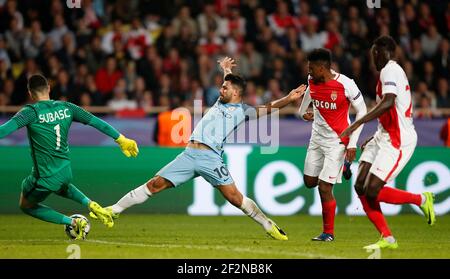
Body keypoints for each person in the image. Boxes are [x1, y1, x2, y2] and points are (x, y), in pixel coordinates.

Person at [91, 57, 307, 240]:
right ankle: (114, 210)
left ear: (236, 93)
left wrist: (288, 98)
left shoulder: (243, 111)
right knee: (154, 184)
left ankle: (268, 225)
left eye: (225, 87)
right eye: (222, 86)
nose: (221, 89)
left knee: (235, 198)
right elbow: (228, 82)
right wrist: (227, 70)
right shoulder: (220, 101)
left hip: (210, 158)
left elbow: (267, 108)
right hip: (188, 154)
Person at [0, 74, 139, 240]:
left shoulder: (30, 112)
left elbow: (3, 131)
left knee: (26, 205)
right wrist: (121, 139)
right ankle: (91, 204)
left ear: (30, 93)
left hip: (44, 177)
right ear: (49, 88)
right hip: (65, 172)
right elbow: (95, 121)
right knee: (60, 185)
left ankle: (72, 222)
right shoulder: (67, 107)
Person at [341, 36, 436, 249]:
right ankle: (387, 238)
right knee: (359, 185)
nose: (373, 57)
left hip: (398, 140)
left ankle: (421, 199)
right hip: (383, 135)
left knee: (372, 189)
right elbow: (389, 111)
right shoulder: (386, 74)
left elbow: (388, 102)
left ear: (384, 53)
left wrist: (357, 124)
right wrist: (373, 136)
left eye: (375, 53)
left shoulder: (390, 70)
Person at [298, 48, 367, 241]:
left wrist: (353, 143)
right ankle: (345, 165)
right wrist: (303, 111)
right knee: (309, 182)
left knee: (324, 187)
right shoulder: (313, 80)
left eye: (311, 68)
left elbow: (362, 111)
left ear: (322, 68)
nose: (309, 72)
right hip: (316, 139)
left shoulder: (346, 84)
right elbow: (309, 94)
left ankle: (328, 233)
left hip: (337, 141)